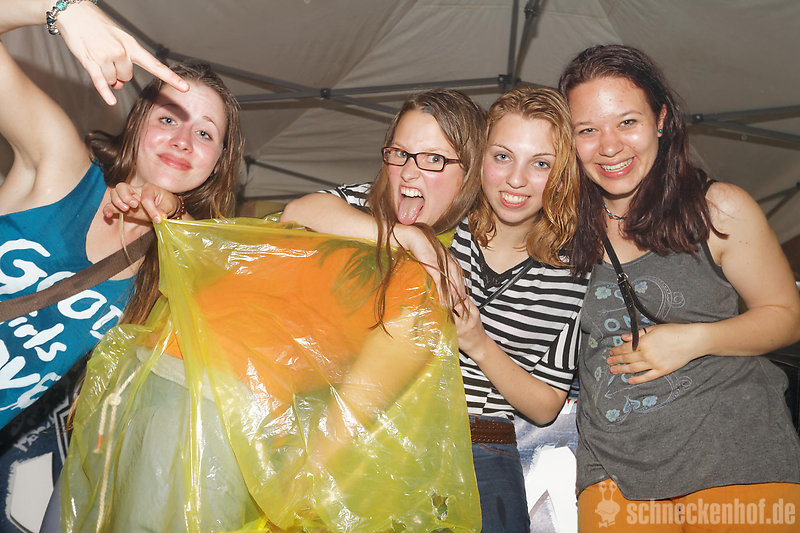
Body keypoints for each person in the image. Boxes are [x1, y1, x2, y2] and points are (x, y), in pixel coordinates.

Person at [58, 88, 485, 532]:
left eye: (434, 159)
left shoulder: (431, 280)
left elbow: (353, 408)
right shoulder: (363, 215)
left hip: (208, 406)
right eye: (399, 153)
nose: (409, 171)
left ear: (469, 173)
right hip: (167, 384)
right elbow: (299, 211)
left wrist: (292, 491)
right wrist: (404, 236)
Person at [283, 86, 589, 532]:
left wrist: (478, 343)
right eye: (502, 157)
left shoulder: (574, 275)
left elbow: (545, 406)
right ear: (480, 160)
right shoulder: (446, 219)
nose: (516, 179)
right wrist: (408, 237)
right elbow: (301, 211)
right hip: (396, 436)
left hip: (486, 449)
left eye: (540, 163)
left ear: (562, 174)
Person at [0, 1, 242, 530]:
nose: (183, 140)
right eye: (168, 119)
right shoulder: (61, 171)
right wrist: (62, 9)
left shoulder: (170, 276)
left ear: (217, 163)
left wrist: (172, 215)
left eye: (205, 133)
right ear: (136, 125)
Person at [558, 44, 800, 532]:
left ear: (661, 120)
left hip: (736, 457)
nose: (609, 146)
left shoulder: (718, 209)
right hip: (612, 475)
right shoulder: (558, 232)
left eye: (628, 122)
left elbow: (786, 315)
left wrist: (694, 339)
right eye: (587, 130)